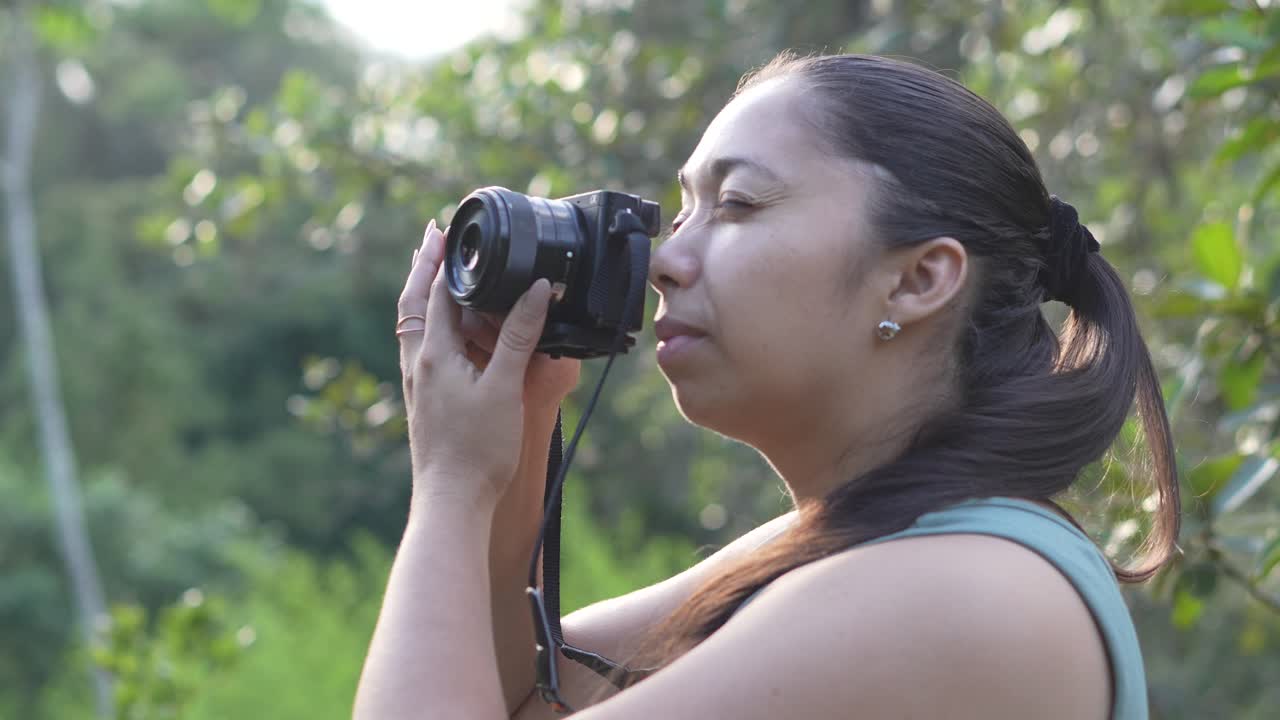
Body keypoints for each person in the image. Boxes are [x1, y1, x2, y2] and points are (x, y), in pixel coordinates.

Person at [354, 52, 1179, 720]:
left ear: (918, 280)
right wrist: (520, 433)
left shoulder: (962, 590)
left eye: (739, 204)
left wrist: (454, 482)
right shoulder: (856, 544)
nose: (665, 261)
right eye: (684, 212)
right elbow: (522, 701)